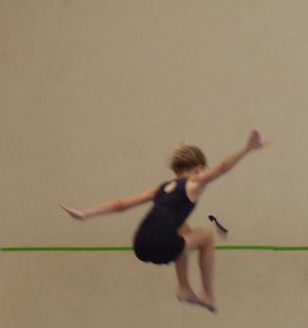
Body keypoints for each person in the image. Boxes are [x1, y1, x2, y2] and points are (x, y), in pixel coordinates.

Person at [60, 130, 266, 312]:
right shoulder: (194, 183)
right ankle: (205, 293)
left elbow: (121, 204)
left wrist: (86, 213)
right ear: (199, 168)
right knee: (206, 235)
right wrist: (247, 148)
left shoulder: (162, 188)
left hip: (140, 244)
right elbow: (222, 168)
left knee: (184, 230)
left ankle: (185, 287)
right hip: (161, 244)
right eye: (205, 171)